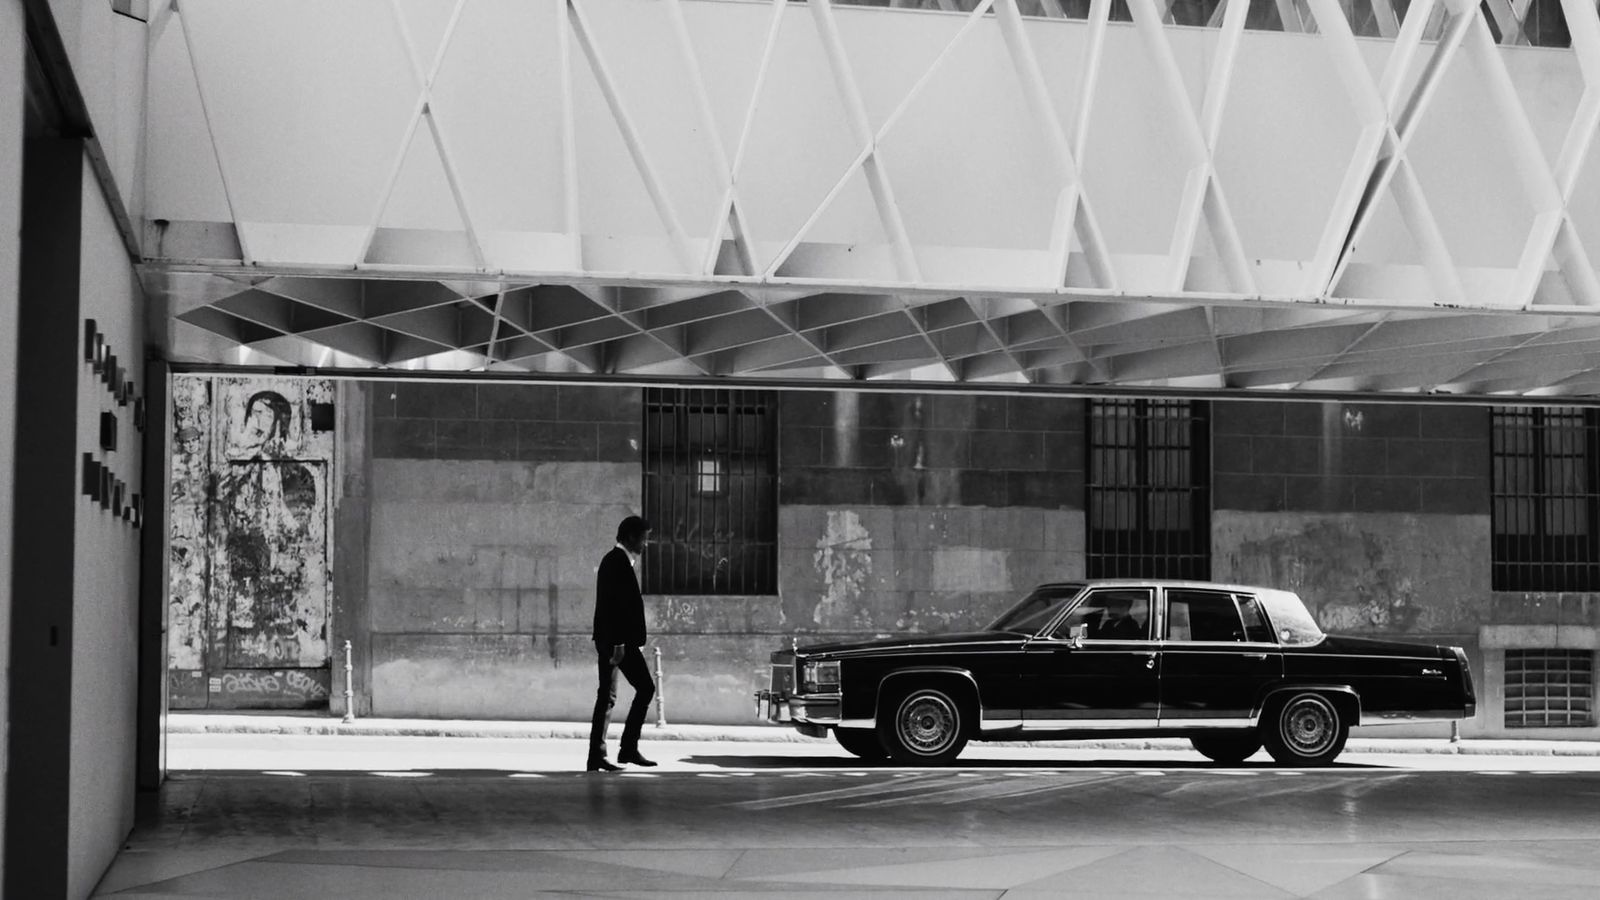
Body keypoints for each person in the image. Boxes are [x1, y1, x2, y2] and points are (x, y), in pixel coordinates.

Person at [587, 515, 658, 772]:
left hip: (616, 642)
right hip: (616, 643)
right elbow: (612, 607)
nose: (646, 544)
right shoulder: (615, 562)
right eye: (643, 538)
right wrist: (619, 643)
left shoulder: (618, 561)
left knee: (606, 696)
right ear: (630, 537)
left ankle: (598, 755)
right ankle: (627, 748)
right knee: (646, 688)